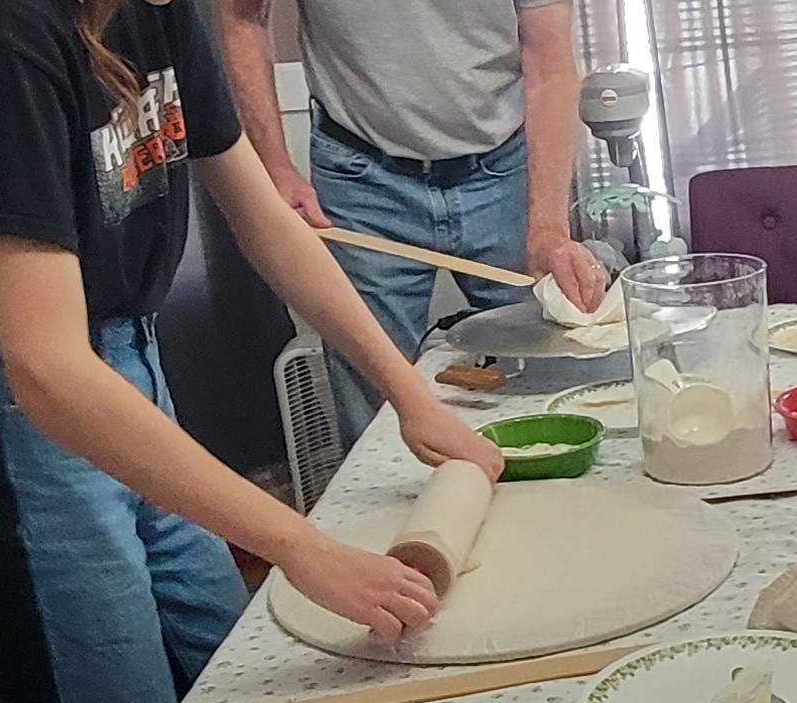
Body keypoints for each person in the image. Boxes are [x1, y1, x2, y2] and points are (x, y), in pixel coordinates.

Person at [0, 0, 504, 703]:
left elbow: (264, 218)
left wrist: (412, 398)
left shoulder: (156, 12)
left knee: (240, 692)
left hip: (131, 371)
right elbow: (46, 366)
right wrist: (301, 544)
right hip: (23, 417)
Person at [217, 0, 609, 447]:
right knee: (373, 410)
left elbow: (551, 63)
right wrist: (274, 165)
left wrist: (549, 227)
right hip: (360, 176)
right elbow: (241, 17)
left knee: (547, 387)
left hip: (507, 168)